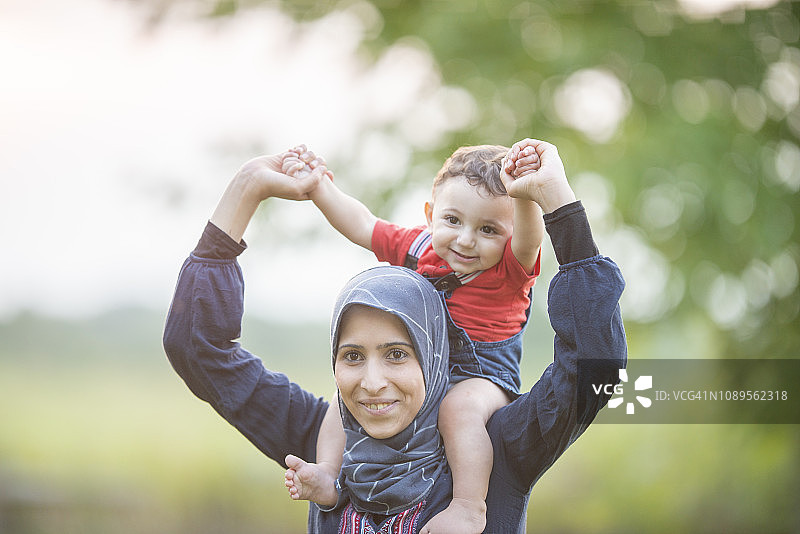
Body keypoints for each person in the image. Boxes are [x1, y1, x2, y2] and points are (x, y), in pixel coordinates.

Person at [163, 139, 627, 534]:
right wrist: (249, 186)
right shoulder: (329, 440)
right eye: (351, 355)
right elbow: (197, 349)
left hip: (483, 377)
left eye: (398, 354)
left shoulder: (502, 445)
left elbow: (596, 370)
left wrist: (556, 202)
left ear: (430, 348)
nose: (372, 383)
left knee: (461, 409)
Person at [281, 141, 545, 532]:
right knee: (346, 399)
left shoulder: (508, 270)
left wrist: (525, 193)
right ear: (430, 215)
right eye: (452, 220)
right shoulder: (419, 248)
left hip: (482, 376)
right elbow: (362, 224)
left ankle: (468, 506)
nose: (466, 239)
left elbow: (530, 237)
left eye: (488, 229)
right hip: (424, 372)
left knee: (458, 411)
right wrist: (319, 187)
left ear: (510, 235)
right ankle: (327, 475)